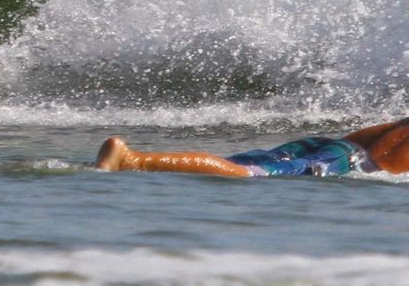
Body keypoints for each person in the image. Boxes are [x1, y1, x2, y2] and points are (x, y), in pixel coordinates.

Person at [95, 118, 409, 177]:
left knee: (232, 164)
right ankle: (131, 159)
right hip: (340, 158)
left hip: (331, 148)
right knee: (244, 173)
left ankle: (132, 159)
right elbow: (382, 154)